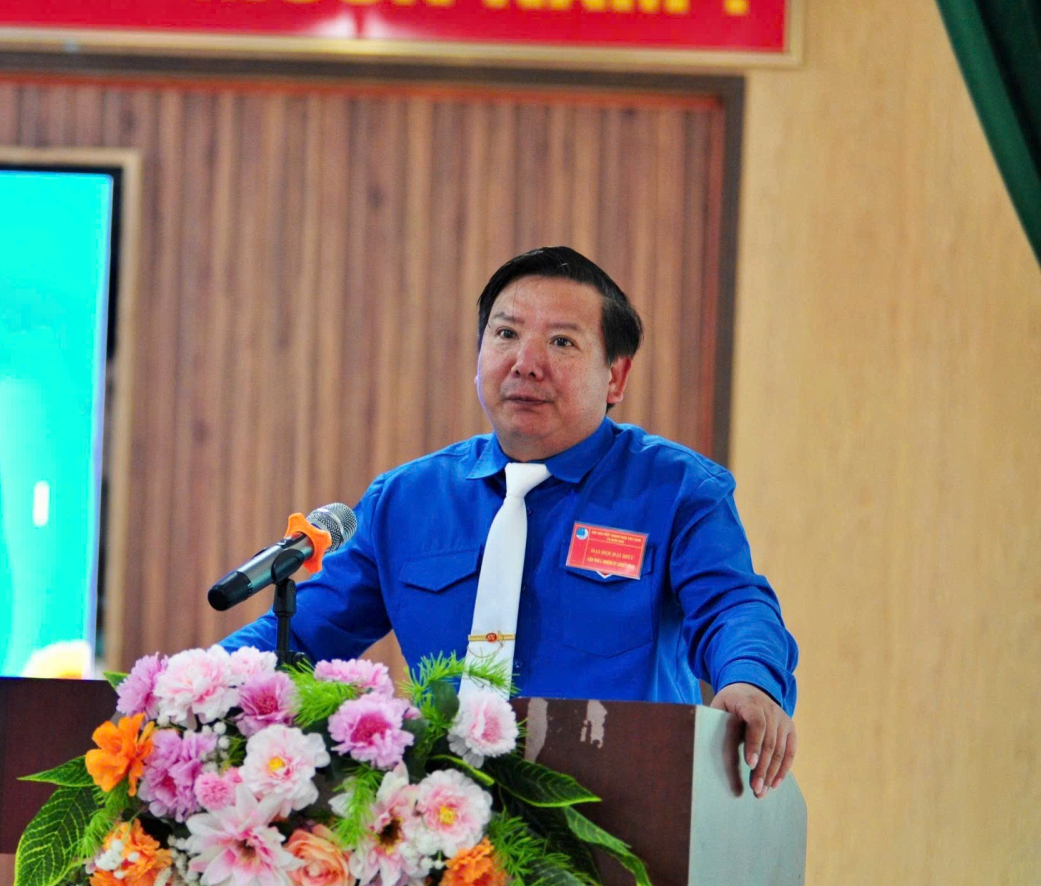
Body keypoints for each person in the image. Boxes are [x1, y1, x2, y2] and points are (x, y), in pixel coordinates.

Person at [221, 247, 798, 799]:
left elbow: (732, 606)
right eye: (505, 334)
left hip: (630, 822)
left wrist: (749, 679)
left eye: (562, 342)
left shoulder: (676, 491)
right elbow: (299, 635)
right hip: (444, 825)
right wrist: (196, 684)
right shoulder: (407, 500)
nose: (526, 363)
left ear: (615, 377)